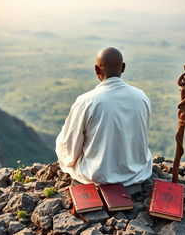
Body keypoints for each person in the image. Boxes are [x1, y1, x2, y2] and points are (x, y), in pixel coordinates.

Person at [55, 47, 152, 186]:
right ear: (123, 67)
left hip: (97, 175)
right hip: (137, 172)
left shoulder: (86, 102)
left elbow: (69, 145)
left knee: (64, 139)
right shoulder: (141, 97)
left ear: (96, 69)